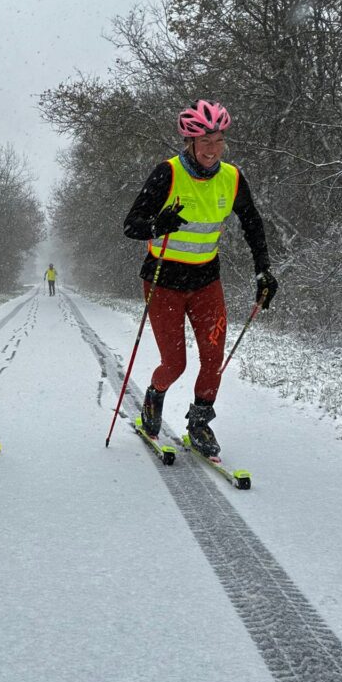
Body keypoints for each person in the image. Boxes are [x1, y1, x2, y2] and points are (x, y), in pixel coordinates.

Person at [123, 99, 277, 456]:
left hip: (206, 280)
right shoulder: (168, 173)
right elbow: (131, 225)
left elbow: (253, 224)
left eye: (219, 140)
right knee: (175, 364)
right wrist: (157, 224)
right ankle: (153, 397)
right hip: (163, 281)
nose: (213, 149)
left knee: (213, 358)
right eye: (205, 141)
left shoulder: (233, 178)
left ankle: (200, 423)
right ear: (189, 142)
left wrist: (263, 269)